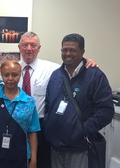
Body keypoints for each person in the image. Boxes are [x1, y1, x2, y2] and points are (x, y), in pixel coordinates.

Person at [17, 31, 98, 168]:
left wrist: (88, 62)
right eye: (25, 45)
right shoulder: (13, 69)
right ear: (19, 48)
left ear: (39, 48)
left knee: (43, 163)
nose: (29, 48)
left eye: (33, 45)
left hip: (42, 128)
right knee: (18, 161)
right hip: (18, 125)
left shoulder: (52, 69)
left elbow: (73, 64)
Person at [43, 33, 114, 168]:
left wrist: (82, 131)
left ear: (82, 51)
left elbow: (106, 111)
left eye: (72, 50)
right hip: (56, 147)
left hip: (79, 148)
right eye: (64, 50)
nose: (67, 53)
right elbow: (48, 105)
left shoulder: (95, 76)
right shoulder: (55, 75)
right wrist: (48, 125)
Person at [0, 60, 40, 168]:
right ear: (1, 75)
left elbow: (32, 132)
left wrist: (33, 159)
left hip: (20, 156)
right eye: (6, 75)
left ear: (20, 75)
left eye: (15, 75)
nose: (10, 78)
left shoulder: (29, 102)